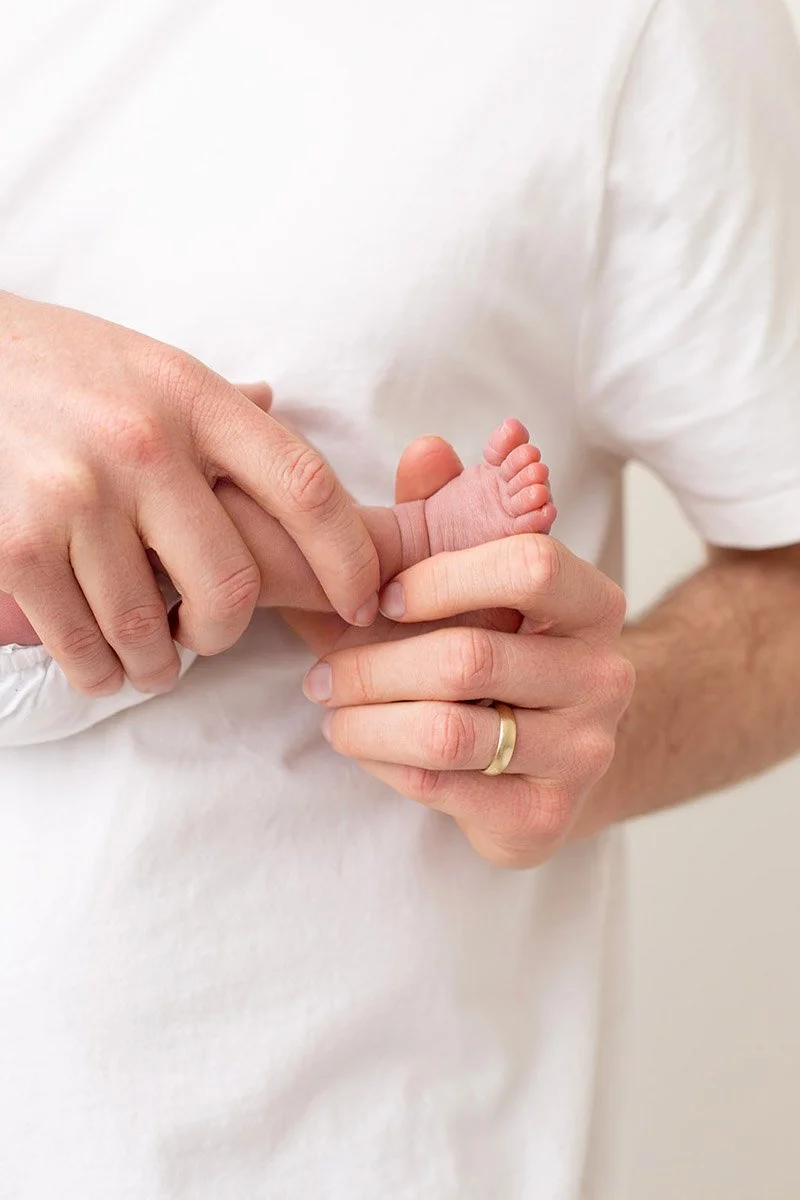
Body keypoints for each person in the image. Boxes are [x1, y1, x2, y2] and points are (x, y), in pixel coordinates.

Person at [1, 0, 799, 1196]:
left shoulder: (622, 31)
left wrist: (580, 730)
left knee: (208, 525)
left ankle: (418, 531)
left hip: (308, 1138)